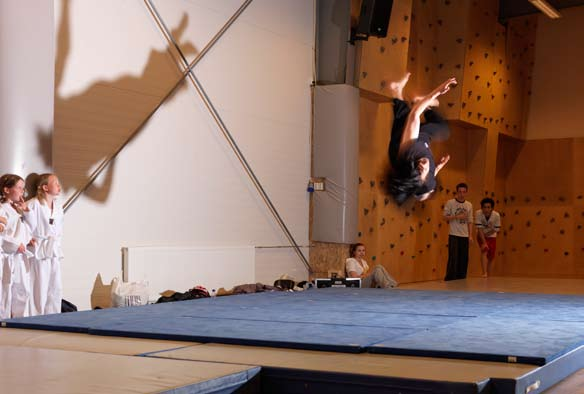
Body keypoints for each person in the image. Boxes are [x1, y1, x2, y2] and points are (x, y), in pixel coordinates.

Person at [386, 73, 456, 204]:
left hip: (401, 149)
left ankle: (414, 101)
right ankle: (402, 94)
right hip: (415, 144)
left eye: (418, 168)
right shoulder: (429, 182)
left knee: (409, 122)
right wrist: (438, 167)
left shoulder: (408, 154)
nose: (423, 164)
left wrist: (437, 92)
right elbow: (428, 179)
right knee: (442, 130)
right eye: (424, 171)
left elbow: (415, 114)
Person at [24, 173, 64, 315]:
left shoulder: (58, 207)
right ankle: (37, 318)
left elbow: (59, 230)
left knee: (55, 287)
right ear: (45, 187)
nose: (59, 186)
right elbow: (23, 227)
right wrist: (28, 239)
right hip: (38, 250)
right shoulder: (32, 205)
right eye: (56, 183)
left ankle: (54, 317)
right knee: (39, 287)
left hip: (53, 250)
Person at [0, 174, 34, 318]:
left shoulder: (17, 209)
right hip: (7, 255)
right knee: (5, 290)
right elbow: (2, 236)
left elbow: (28, 229)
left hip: (19, 256)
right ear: (6, 190)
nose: (22, 191)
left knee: (22, 290)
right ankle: (4, 320)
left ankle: (20, 320)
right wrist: (15, 245)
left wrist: (25, 211)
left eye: (23, 188)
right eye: (19, 187)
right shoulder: (2, 208)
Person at [443, 183, 473, 281]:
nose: (461, 194)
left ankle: (461, 278)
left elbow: (470, 221)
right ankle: (450, 278)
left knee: (464, 258)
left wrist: (470, 236)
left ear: (466, 193)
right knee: (453, 257)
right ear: (457, 192)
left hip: (465, 235)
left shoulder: (469, 205)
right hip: (454, 234)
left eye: (464, 192)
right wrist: (456, 216)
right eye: (460, 192)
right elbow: (445, 217)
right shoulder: (450, 203)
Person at [475, 197, 501, 278]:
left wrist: (489, 233)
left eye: (488, 207)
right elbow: (479, 229)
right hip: (481, 235)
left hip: (492, 235)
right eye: (484, 207)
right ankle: (484, 273)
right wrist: (484, 242)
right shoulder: (478, 213)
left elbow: (496, 229)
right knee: (484, 250)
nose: (486, 209)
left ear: (492, 208)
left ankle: (489, 274)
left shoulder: (496, 215)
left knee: (491, 256)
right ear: (482, 208)